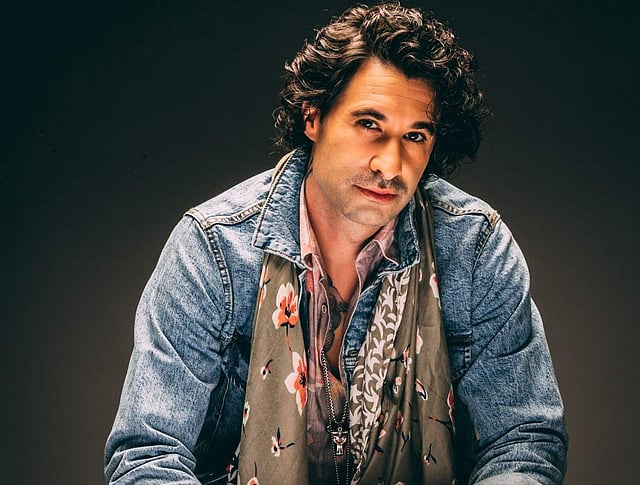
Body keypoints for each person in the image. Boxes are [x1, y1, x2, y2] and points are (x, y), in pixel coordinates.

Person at [105, 3, 568, 484]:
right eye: (369, 124)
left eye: (415, 135)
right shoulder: (213, 248)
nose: (391, 164)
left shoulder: (474, 247)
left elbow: (523, 441)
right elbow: (148, 453)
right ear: (313, 117)